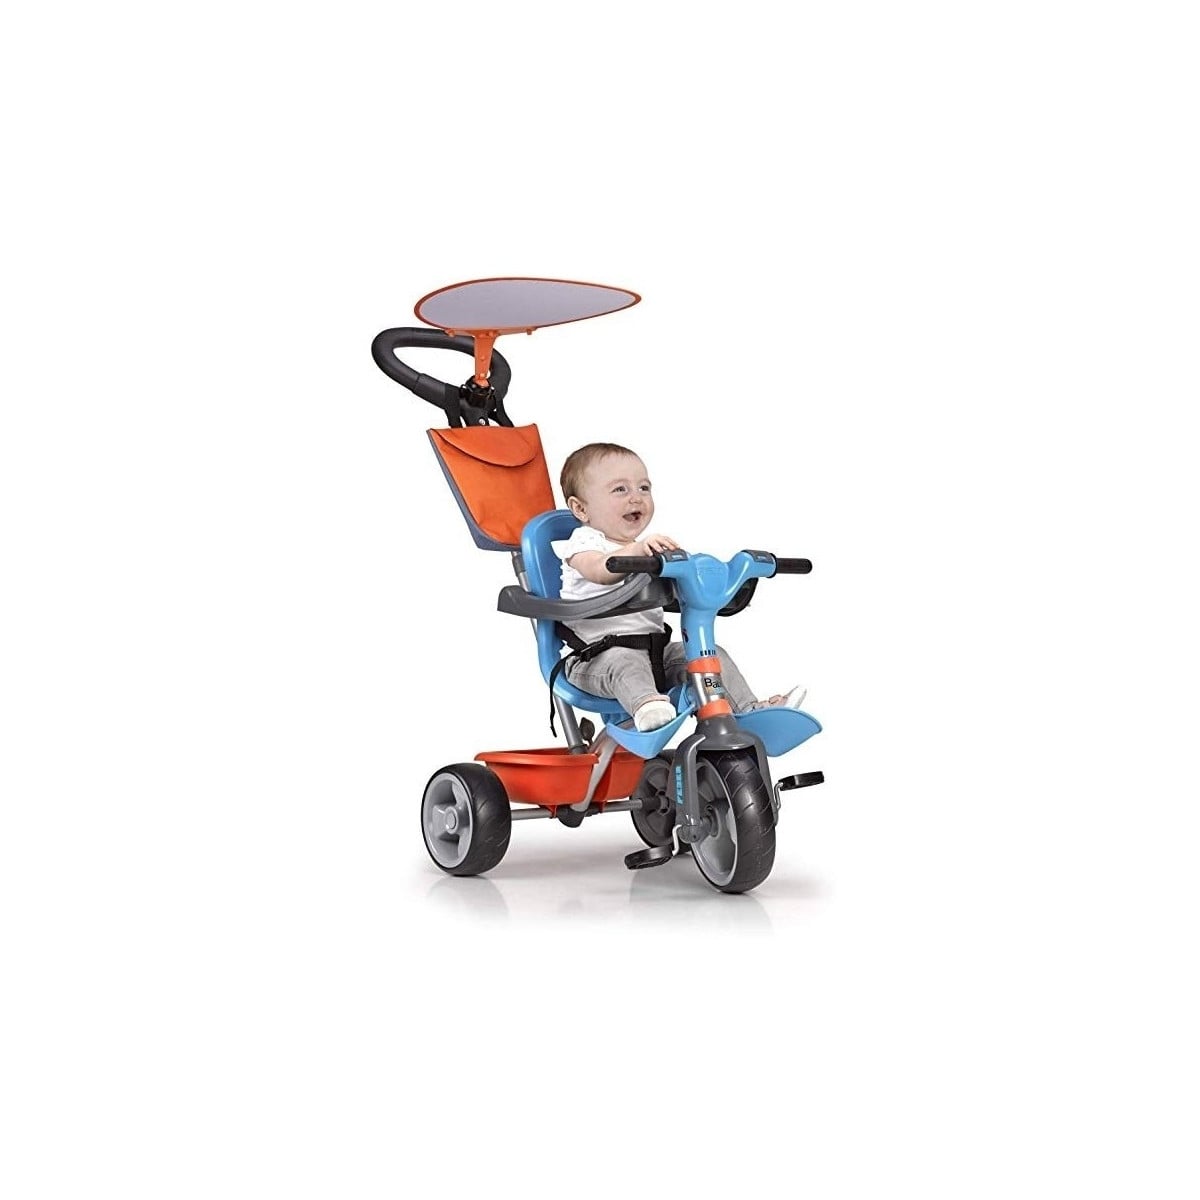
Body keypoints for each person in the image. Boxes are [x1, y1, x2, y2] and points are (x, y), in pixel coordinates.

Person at [551, 442, 806, 732]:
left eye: (644, 488)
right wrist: (638, 551)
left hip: (655, 656)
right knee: (625, 663)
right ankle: (647, 707)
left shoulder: (648, 550)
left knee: (708, 656)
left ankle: (748, 711)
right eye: (620, 489)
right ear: (581, 509)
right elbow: (599, 569)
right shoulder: (585, 542)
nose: (636, 497)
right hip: (595, 661)